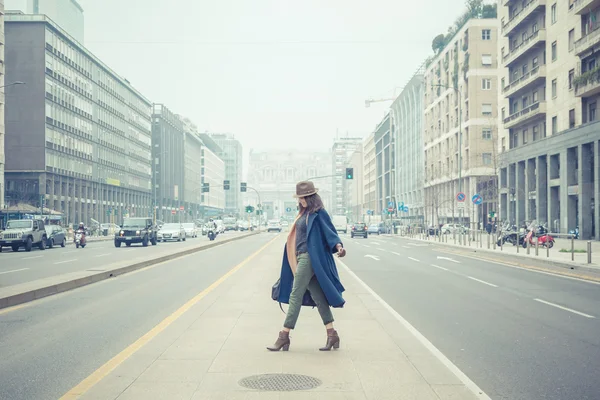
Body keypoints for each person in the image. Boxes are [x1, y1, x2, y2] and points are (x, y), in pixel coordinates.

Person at [268, 181, 346, 352]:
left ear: (310, 197)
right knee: (318, 297)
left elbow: (330, 233)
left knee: (295, 294)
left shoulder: (319, 214)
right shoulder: (303, 214)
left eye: (302, 197)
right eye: (299, 198)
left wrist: (338, 246)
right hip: (299, 257)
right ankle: (332, 334)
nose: (300, 200)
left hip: (310, 258)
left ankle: (284, 336)